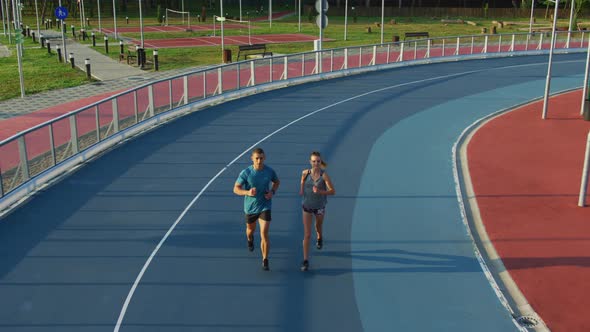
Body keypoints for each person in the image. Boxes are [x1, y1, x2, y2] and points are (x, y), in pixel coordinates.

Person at [233, 148, 280, 271]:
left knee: (264, 233)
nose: (259, 161)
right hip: (250, 207)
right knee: (250, 230)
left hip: (265, 205)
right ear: (252, 158)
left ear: (264, 158)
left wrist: (272, 192)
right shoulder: (246, 173)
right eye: (257, 158)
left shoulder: (269, 171)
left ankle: (265, 259)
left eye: (261, 158)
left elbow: (276, 182)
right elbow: (236, 189)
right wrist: (247, 192)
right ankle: (250, 239)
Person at [299, 151, 335, 271]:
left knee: (318, 226)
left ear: (320, 162)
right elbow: (302, 181)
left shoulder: (324, 176)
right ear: (310, 162)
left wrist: (320, 192)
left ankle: (319, 237)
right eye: (313, 161)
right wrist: (301, 190)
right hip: (307, 206)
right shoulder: (305, 172)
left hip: (319, 207)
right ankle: (305, 261)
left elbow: (332, 191)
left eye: (318, 161)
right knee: (307, 234)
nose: (316, 163)